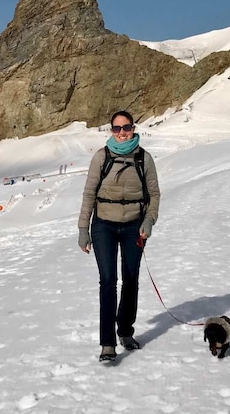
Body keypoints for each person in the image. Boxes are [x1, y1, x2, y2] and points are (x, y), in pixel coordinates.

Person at [77, 111, 161, 362]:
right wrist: (83, 229)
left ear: (133, 128)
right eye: (117, 128)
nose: (122, 133)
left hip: (134, 225)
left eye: (126, 127)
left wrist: (148, 220)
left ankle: (125, 331)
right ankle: (107, 343)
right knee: (108, 280)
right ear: (111, 131)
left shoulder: (143, 158)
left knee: (131, 279)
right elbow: (89, 194)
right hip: (103, 225)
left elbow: (154, 194)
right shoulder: (101, 157)